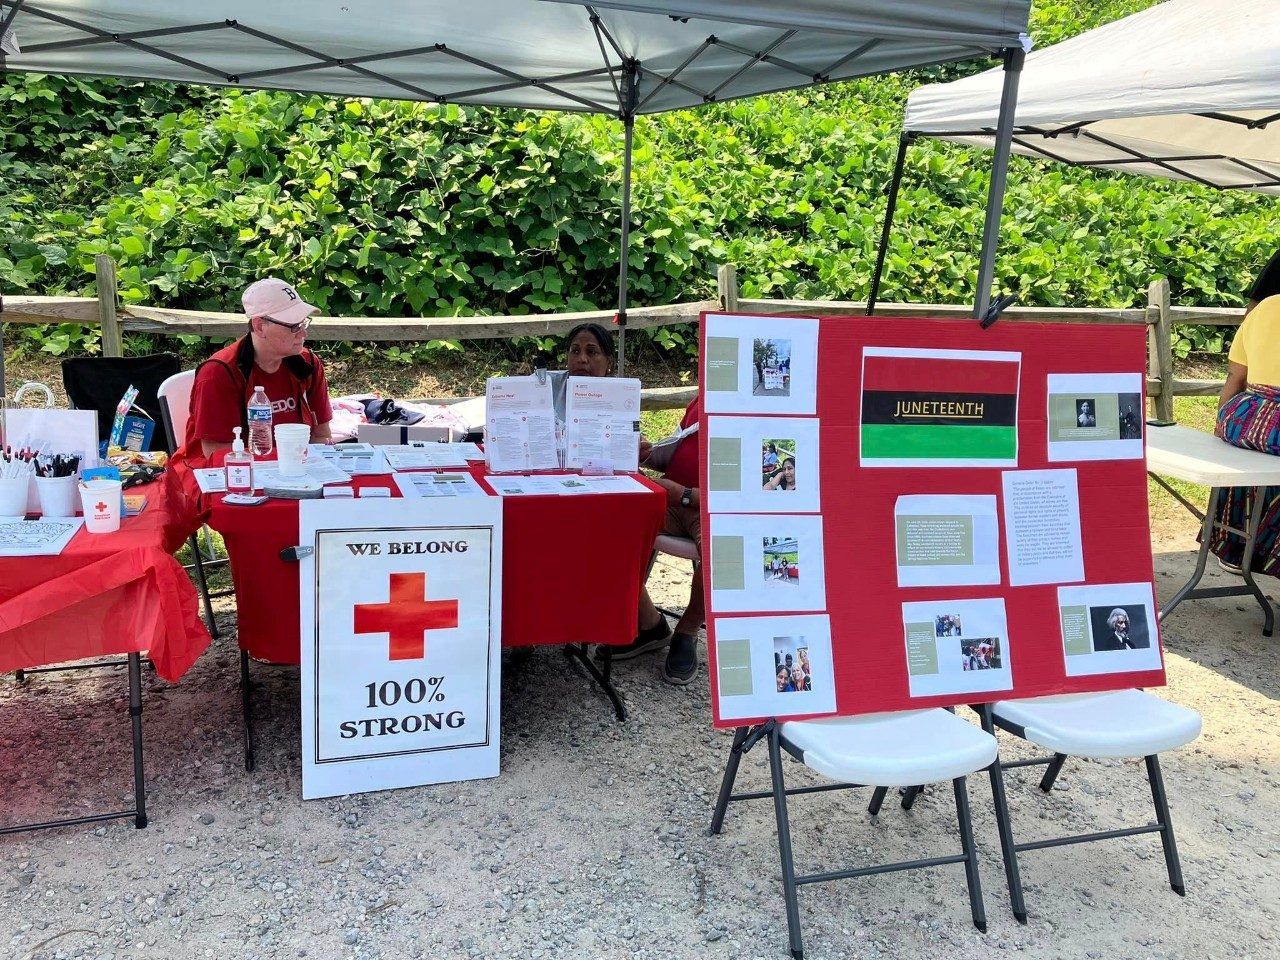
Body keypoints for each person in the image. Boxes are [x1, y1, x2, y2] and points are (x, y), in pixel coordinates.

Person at [607, 394, 705, 685]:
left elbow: (758, 490)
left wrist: (687, 495)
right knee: (609, 529)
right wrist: (645, 454)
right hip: (674, 500)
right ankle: (650, 624)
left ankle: (687, 631)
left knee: (722, 547)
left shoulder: (766, 408)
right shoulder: (704, 397)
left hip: (712, 508)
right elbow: (676, 450)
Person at [187, 277, 333, 458]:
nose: (304, 333)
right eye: (294, 326)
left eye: (304, 322)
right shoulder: (218, 374)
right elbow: (217, 456)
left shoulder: (308, 363)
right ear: (259, 326)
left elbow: (322, 436)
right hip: (219, 476)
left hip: (292, 469)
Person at [1209, 295, 1280, 574]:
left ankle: (1237, 547)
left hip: (1245, 419)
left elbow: (1235, 379)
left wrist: (1218, 427)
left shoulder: (1266, 306)